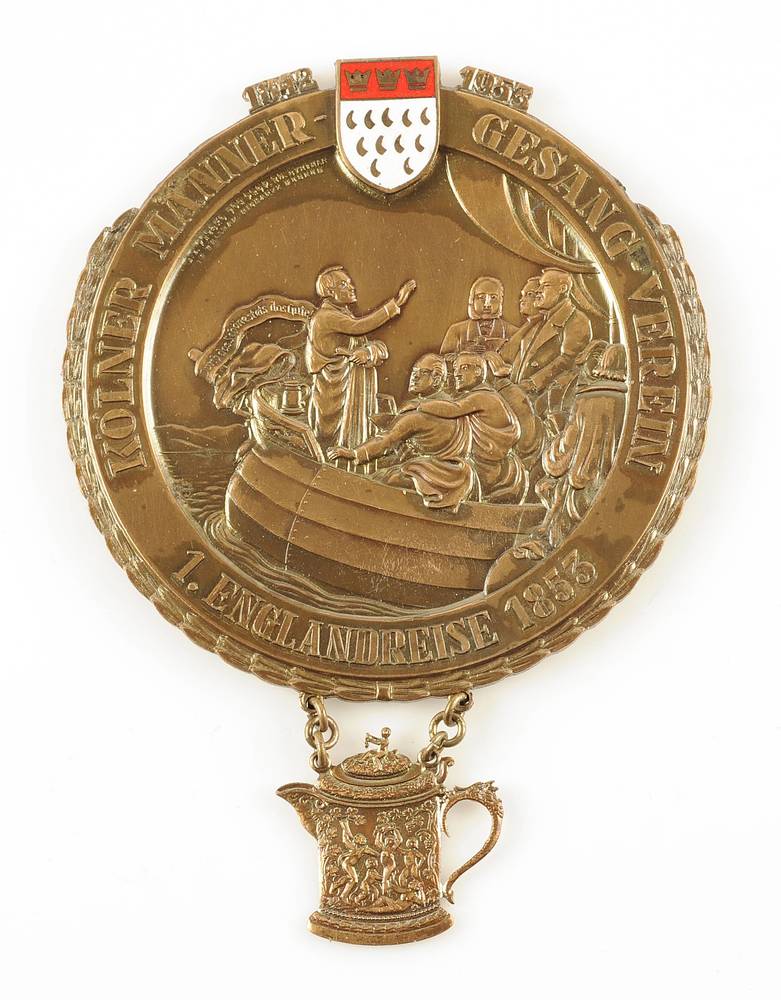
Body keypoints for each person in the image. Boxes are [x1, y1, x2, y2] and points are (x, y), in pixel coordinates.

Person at [328, 353, 475, 512]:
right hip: (459, 475)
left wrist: (353, 453)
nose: (414, 377)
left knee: (375, 480)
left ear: (437, 379)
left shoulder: (420, 413)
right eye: (414, 371)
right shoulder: (454, 407)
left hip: (431, 476)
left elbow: (386, 440)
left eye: (422, 372)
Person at [305, 265, 416, 450]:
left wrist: (369, 352)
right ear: (330, 292)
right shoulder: (326, 317)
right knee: (331, 432)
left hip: (348, 383)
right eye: (343, 284)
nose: (352, 287)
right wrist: (396, 303)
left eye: (349, 283)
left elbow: (358, 340)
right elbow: (360, 326)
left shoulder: (340, 313)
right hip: (333, 388)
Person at [416, 352, 523, 499]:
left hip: (491, 470)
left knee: (425, 471)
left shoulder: (483, 396)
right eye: (455, 370)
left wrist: (419, 405)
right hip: (488, 464)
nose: (457, 374)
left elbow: (453, 409)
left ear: (478, 371)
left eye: (464, 368)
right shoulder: (479, 395)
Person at [501, 268, 592, 397]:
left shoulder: (577, 320)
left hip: (546, 397)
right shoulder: (541, 319)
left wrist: (533, 384)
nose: (538, 290)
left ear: (562, 289)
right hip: (518, 393)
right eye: (539, 286)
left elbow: (569, 360)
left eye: (545, 285)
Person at [440, 276, 517, 355]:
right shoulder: (456, 331)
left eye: (493, 297)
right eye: (481, 297)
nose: (487, 304)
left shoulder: (513, 332)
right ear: (472, 300)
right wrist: (465, 353)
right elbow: (443, 359)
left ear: (500, 301)